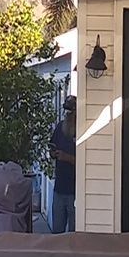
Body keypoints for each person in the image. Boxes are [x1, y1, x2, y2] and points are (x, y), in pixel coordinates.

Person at [50, 95, 78, 233]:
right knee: (57, 232)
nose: (68, 114)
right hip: (59, 189)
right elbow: (51, 146)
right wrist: (53, 153)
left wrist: (68, 158)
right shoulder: (60, 127)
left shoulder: (81, 129)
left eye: (70, 111)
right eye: (66, 111)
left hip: (75, 191)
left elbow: (84, 162)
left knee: (74, 233)